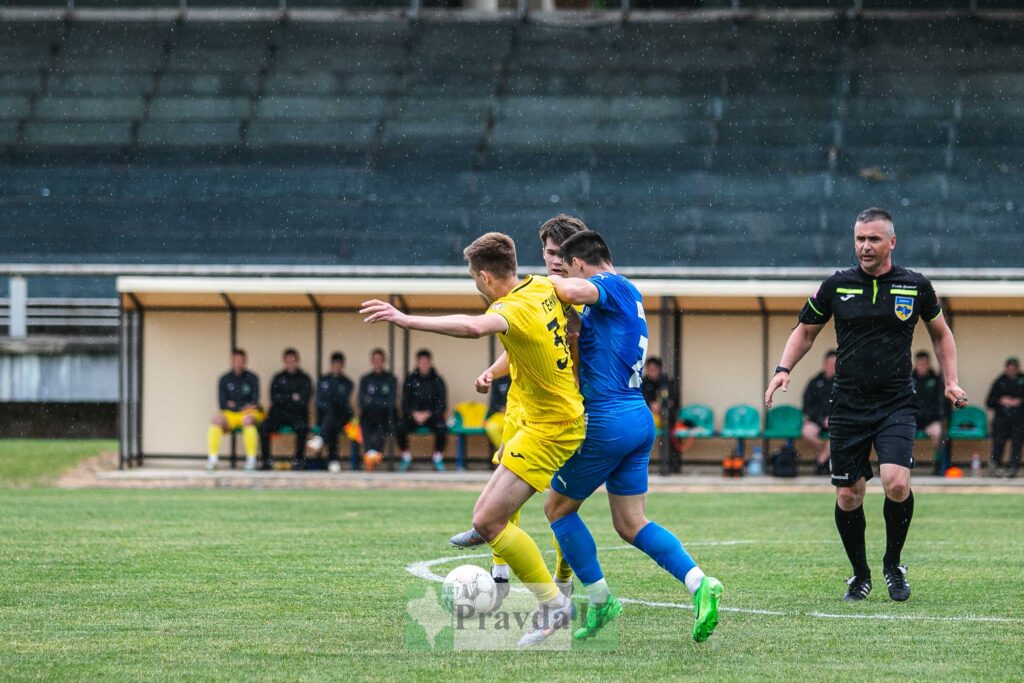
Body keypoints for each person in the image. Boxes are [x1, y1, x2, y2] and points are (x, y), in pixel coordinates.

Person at [361, 231, 584, 647]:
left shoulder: (508, 306)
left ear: (484, 277)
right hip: (555, 420)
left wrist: (405, 319)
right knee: (496, 515)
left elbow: (472, 325)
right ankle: (542, 588)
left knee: (491, 519)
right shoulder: (539, 287)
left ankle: (554, 602)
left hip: (551, 429)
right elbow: (527, 338)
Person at [764, 208, 967, 603]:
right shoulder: (837, 286)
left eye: (873, 239)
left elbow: (941, 335)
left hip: (896, 403)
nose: (865, 246)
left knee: (896, 483)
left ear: (891, 242)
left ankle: (894, 565)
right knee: (848, 496)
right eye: (859, 239)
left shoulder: (915, 286)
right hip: (848, 406)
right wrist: (783, 368)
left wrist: (951, 381)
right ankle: (860, 575)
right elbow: (805, 331)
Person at [539, 230, 723, 643]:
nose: (564, 274)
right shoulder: (627, 296)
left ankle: (602, 599)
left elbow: (572, 289)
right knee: (630, 522)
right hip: (635, 417)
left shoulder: (610, 285)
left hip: (607, 420)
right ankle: (699, 584)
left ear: (582, 264)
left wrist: (535, 281)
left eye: (566, 265)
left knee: (557, 510)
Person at [449, 214, 587, 605]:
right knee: (509, 486)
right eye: (549, 252)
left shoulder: (581, 297)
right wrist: (494, 371)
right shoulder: (540, 289)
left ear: (579, 256)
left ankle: (560, 583)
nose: (555, 261)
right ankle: (500, 568)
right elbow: (526, 341)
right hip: (526, 409)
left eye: (562, 254)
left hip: (563, 416)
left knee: (559, 507)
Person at [206, 348, 262, 472]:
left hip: (248, 414)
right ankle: (212, 459)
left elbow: (254, 402)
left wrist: (235, 405)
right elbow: (222, 404)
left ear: (245, 361)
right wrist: (241, 406)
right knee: (216, 420)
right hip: (231, 415)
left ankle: (251, 460)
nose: (238, 363)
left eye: (240, 360)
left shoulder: (252, 378)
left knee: (248, 421)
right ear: (231, 361)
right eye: (235, 360)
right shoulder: (224, 379)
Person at [259, 348, 313, 470]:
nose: (291, 363)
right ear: (284, 361)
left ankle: (299, 460)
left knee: (303, 427)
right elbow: (274, 398)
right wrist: (292, 396)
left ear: (297, 361)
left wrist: (284, 398)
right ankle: (266, 461)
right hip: (279, 414)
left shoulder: (304, 378)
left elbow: (304, 400)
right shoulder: (278, 377)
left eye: (293, 360)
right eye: (288, 360)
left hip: (297, 414)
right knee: (264, 426)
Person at [395, 349, 448, 472]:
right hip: (413, 416)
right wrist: (414, 413)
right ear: (417, 363)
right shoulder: (410, 379)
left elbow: (442, 404)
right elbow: (404, 403)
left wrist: (429, 413)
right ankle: (406, 456)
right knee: (400, 427)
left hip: (432, 416)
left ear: (430, 363)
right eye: (421, 362)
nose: (424, 365)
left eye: (426, 362)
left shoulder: (438, 380)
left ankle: (437, 457)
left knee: (442, 428)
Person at [307, 352, 355, 473]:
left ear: (342, 365)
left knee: (332, 414)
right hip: (327, 418)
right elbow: (318, 401)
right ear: (331, 364)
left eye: (339, 364)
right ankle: (333, 461)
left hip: (343, 416)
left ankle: (320, 439)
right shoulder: (323, 380)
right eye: (335, 364)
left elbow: (342, 402)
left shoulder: (347, 382)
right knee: (331, 422)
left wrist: (331, 402)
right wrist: (329, 404)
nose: (336, 366)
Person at [358, 348, 398, 472]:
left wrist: (373, 400)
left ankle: (375, 454)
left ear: (384, 361)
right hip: (368, 414)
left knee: (383, 421)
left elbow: (391, 401)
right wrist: (379, 401)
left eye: (379, 359)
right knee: (364, 421)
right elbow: (361, 401)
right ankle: (370, 453)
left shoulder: (390, 379)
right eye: (375, 359)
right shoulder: (365, 379)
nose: (377, 362)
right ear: (371, 361)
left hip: (385, 415)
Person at [911, 351, 949, 475]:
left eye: (925, 364)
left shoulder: (936, 380)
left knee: (938, 433)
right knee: (900, 433)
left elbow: (943, 403)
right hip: (912, 419)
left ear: (929, 364)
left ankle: (939, 466)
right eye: (920, 364)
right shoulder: (908, 381)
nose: (923, 366)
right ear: (915, 364)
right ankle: (904, 465)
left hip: (930, 420)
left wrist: (940, 417)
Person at [986, 357, 1024, 477]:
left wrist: (1018, 402)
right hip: (1001, 419)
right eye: (1009, 368)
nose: (1012, 371)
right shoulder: (999, 381)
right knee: (998, 441)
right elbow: (990, 402)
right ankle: (995, 466)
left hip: (1019, 419)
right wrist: (1001, 401)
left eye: (1014, 368)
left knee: (1017, 442)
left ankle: (1013, 467)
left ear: (1018, 368)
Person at [641, 356, 680, 471]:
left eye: (654, 369)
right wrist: (650, 404)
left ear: (659, 369)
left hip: (667, 419)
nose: (651, 372)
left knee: (669, 432)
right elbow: (641, 400)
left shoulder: (667, 382)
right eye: (649, 369)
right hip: (649, 418)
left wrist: (664, 407)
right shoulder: (644, 382)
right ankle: (643, 465)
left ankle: (671, 466)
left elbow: (673, 400)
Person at [802, 350, 836, 475]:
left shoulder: (842, 383)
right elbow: (807, 406)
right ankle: (825, 451)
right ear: (824, 363)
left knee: (838, 435)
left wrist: (832, 418)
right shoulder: (815, 382)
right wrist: (821, 419)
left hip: (837, 421)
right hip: (817, 421)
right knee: (807, 431)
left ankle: (821, 461)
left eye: (835, 363)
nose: (832, 366)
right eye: (830, 363)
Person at [484, 374, 512, 450]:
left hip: (514, 414)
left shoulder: (515, 376)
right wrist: (487, 417)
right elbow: (493, 401)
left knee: (513, 429)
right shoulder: (496, 380)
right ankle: (505, 451)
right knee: (492, 427)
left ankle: (511, 452)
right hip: (499, 414)